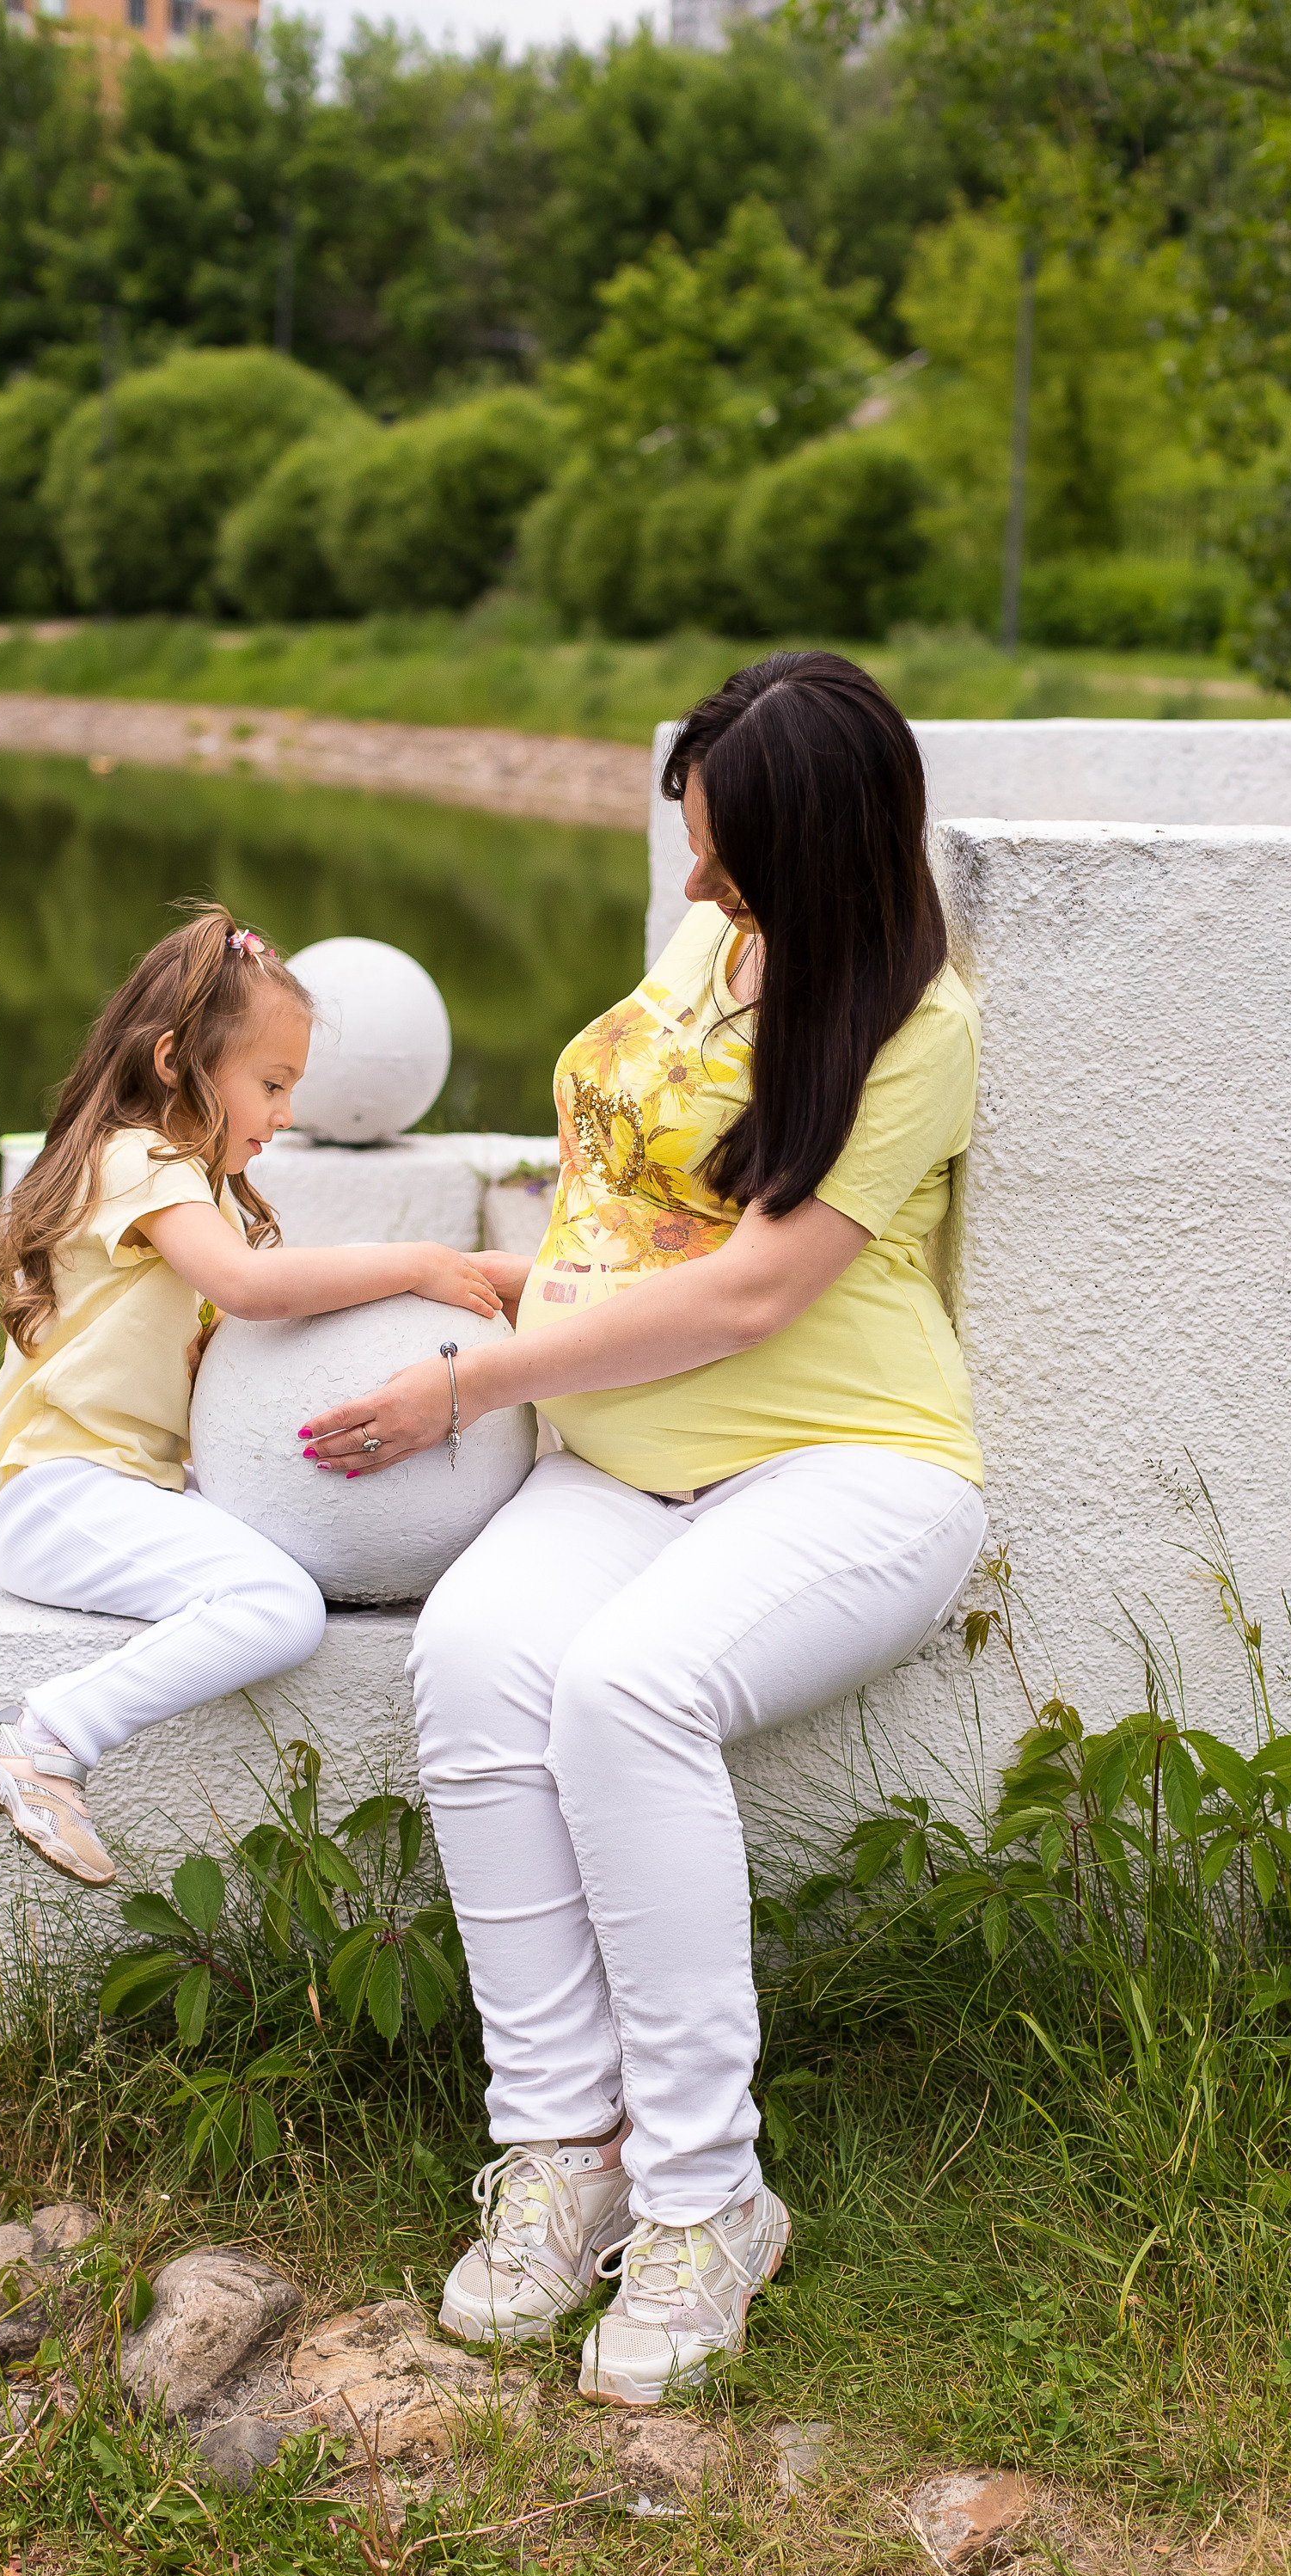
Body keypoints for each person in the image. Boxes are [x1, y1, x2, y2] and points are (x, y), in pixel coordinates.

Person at [301, 652, 988, 2407]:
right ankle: (566, 2155)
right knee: (471, 1661)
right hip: (618, 1471)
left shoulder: (919, 1030)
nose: (692, 887)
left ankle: (707, 2200)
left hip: (843, 1464)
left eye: (725, 860)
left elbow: (753, 1296)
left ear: (818, 858)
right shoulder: (719, 938)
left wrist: (474, 1381)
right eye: (694, 844)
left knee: (625, 1694)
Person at [0, 905, 502, 1890]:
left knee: (278, 1568)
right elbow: (252, 1290)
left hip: (100, 1485)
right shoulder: (141, 1162)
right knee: (273, 1604)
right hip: (46, 1491)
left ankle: (38, 1741)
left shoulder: (174, 1179)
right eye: (272, 1084)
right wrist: (410, 1262)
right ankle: (41, 1739)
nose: (285, 1114)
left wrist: (520, 1280)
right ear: (175, 1061)